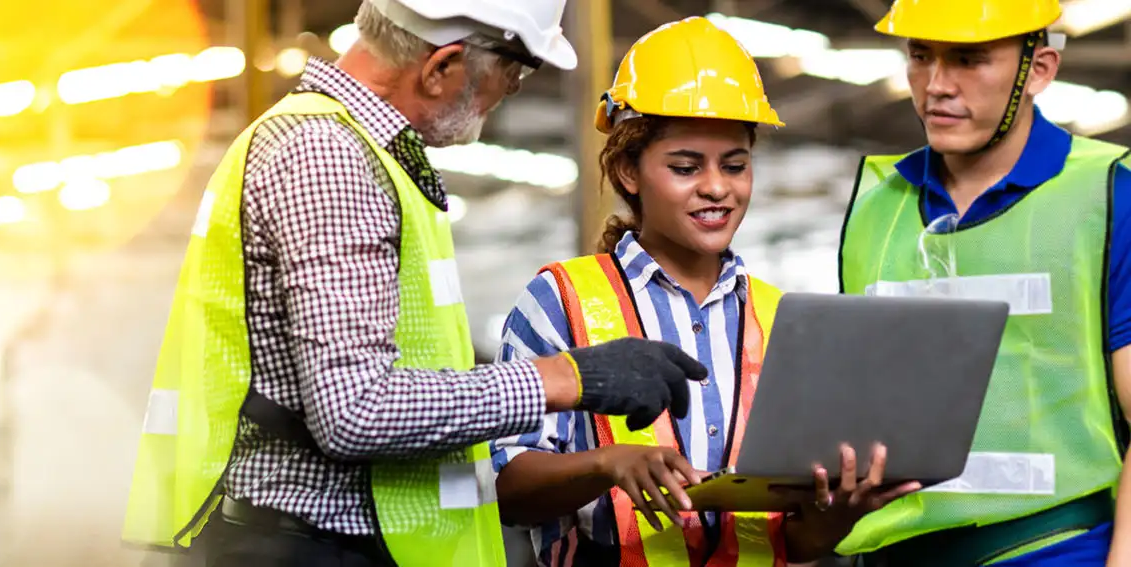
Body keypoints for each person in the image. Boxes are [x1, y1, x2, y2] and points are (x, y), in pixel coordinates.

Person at [120, 1, 719, 566]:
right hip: (309, 550)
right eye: (510, 76)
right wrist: (567, 378)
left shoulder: (357, 152)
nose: (506, 97)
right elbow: (353, 410)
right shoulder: (329, 160)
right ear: (442, 68)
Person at [491, 17, 920, 567]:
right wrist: (608, 464)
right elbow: (509, 486)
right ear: (627, 170)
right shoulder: (561, 301)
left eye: (735, 165)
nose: (717, 187)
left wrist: (839, 514)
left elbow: (793, 541)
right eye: (685, 167)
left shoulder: (781, 319)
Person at [834, 1, 1131, 565]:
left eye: (969, 60)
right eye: (921, 56)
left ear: (1039, 69)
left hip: (1054, 549)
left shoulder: (1108, 196)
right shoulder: (876, 209)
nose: (936, 85)